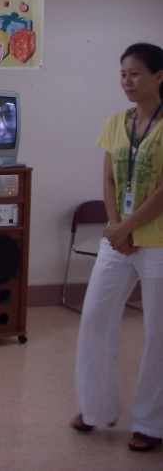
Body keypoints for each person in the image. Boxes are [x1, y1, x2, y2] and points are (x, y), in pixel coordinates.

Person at [72, 42, 163, 453]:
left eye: (136, 73)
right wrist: (114, 226)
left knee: (157, 335)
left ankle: (150, 422)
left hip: (156, 241)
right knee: (94, 321)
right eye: (123, 74)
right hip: (118, 239)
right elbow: (109, 178)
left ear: (159, 76)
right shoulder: (116, 121)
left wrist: (127, 226)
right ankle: (96, 408)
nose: (127, 81)